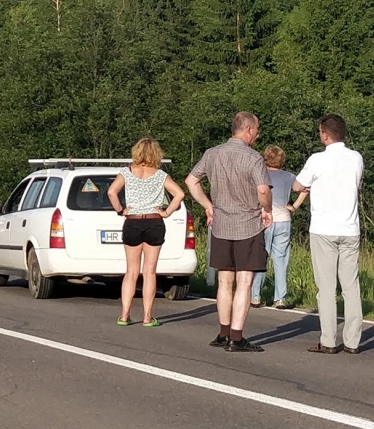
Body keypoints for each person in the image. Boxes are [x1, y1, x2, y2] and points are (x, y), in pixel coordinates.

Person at [185, 112, 273, 353]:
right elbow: (263, 191)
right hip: (248, 224)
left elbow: (191, 181)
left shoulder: (212, 154)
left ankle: (223, 333)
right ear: (248, 130)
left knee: (224, 281)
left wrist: (207, 205)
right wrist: (267, 210)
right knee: (244, 282)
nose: (257, 134)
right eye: (257, 129)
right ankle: (236, 337)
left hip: (221, 224)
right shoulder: (253, 158)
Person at [294, 114, 364, 354]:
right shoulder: (356, 158)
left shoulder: (316, 160)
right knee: (350, 286)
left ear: (324, 134)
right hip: (350, 228)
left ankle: (329, 340)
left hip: (324, 228)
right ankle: (353, 341)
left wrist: (308, 186)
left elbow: (296, 185)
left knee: (326, 288)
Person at [107, 138, 184, 327]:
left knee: (131, 271)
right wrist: (166, 212)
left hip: (132, 221)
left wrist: (121, 210)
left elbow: (111, 192)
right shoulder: (160, 175)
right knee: (149, 272)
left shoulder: (127, 172)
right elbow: (180, 194)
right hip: (154, 221)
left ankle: (125, 315)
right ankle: (148, 317)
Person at [251, 145, 308, 309]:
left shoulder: (261, 174)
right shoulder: (289, 176)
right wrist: (294, 206)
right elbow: (304, 188)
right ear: (282, 160)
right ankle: (280, 298)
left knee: (261, 257)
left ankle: (255, 296)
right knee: (281, 260)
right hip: (284, 219)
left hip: (265, 218)